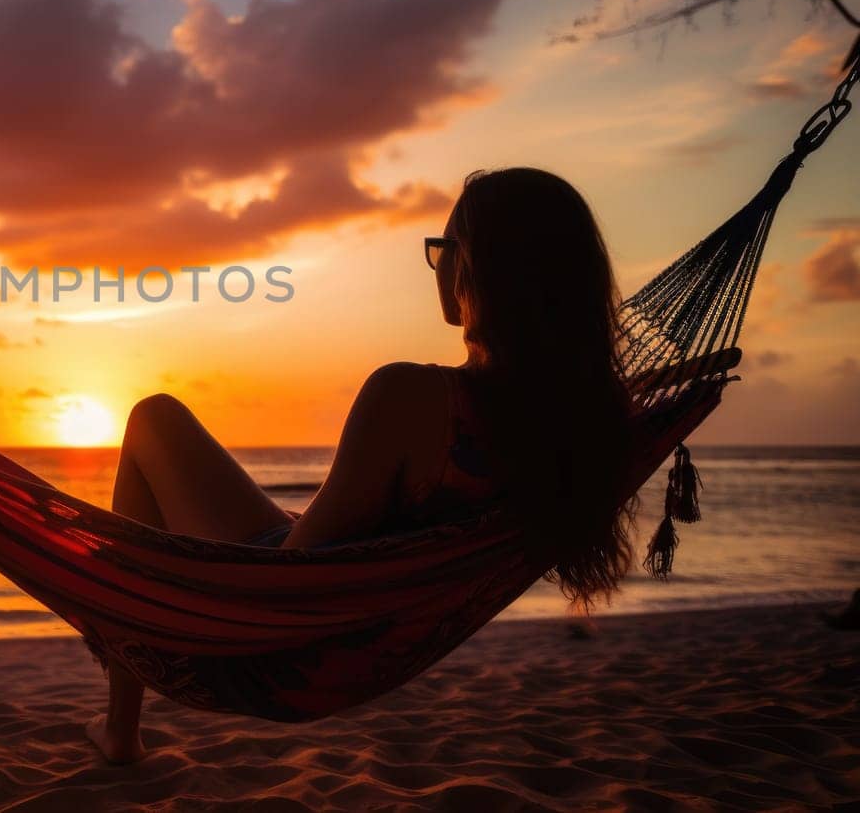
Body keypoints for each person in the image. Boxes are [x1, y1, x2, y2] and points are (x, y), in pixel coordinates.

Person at [86, 168, 637, 764]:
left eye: (443, 249)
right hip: (369, 645)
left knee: (153, 417)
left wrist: (177, 587)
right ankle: (125, 692)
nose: (438, 267)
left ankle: (122, 724)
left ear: (478, 266)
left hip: (282, 647)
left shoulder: (409, 397)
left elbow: (291, 573)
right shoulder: (578, 427)